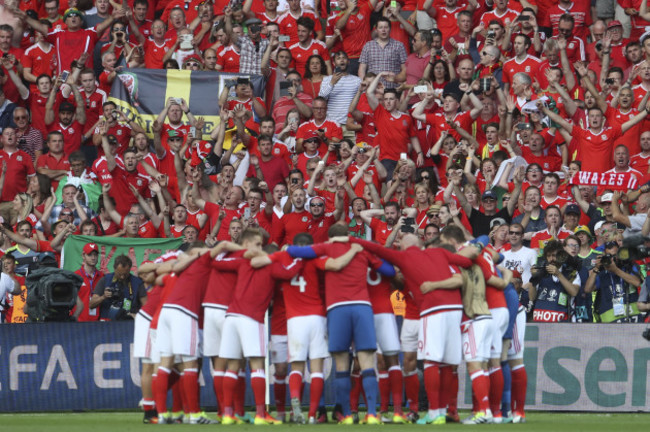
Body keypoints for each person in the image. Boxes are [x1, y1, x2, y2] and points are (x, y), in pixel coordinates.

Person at [89, 254, 147, 321]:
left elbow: (146, 306)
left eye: (125, 274)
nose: (122, 277)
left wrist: (137, 315)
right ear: (114, 268)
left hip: (129, 323)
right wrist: (103, 297)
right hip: (108, 324)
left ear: (130, 269)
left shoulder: (137, 283)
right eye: (119, 274)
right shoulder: (105, 280)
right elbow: (91, 304)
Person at [74, 242, 104, 322]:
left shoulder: (102, 276)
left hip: (98, 322)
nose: (93, 258)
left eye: (95, 255)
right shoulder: (75, 276)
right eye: (90, 255)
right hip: (79, 322)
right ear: (83, 256)